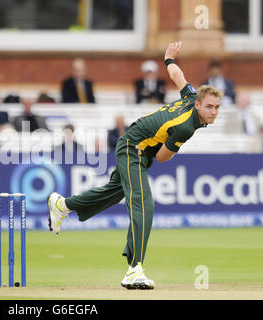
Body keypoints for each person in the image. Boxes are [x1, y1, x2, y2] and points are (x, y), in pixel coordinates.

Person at [47, 42, 222, 290]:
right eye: (209, 107)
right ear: (197, 105)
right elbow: (162, 157)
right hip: (133, 149)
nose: (213, 112)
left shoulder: (192, 95)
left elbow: (177, 76)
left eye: (216, 108)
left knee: (113, 192)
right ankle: (134, 269)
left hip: (135, 146)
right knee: (143, 203)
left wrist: (169, 58)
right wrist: (174, 146)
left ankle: (62, 205)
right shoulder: (186, 127)